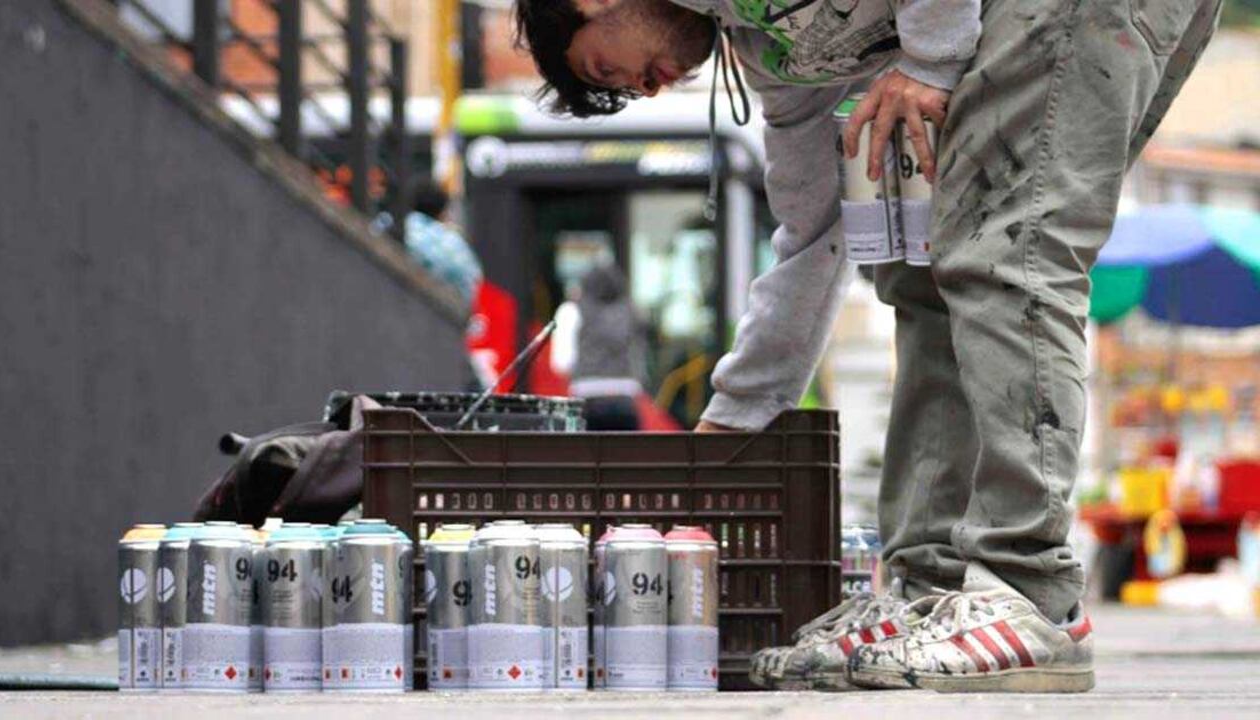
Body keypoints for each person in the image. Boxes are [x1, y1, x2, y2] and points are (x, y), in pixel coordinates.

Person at [514, 0, 1222, 693]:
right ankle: (933, 587)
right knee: (921, 265)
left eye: (607, 68)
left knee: (1007, 246)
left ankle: (1029, 590)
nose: (643, 88)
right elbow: (815, 236)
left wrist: (930, 62)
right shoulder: (773, 54)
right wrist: (737, 414)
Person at [555, 264, 646, 430]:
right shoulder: (632, 310)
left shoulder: (571, 310)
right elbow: (639, 356)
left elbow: (561, 363)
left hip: (586, 397)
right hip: (625, 398)